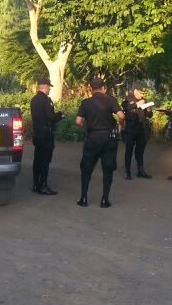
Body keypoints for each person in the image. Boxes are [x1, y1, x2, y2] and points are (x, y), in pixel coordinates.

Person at [75, 78, 125, 208]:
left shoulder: (86, 103)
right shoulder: (110, 100)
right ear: (104, 88)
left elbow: (78, 121)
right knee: (108, 169)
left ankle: (83, 198)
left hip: (92, 138)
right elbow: (121, 116)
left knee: (86, 168)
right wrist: (120, 126)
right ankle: (104, 200)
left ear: (91, 89)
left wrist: (85, 125)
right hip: (108, 138)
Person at [30, 76, 64, 195]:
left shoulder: (34, 99)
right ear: (45, 87)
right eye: (49, 87)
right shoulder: (46, 100)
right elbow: (51, 117)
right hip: (46, 134)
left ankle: (35, 184)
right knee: (45, 160)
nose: (50, 90)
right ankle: (43, 185)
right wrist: (60, 114)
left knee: (37, 159)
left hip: (37, 132)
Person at [122, 87, 154, 179]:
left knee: (140, 151)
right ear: (135, 91)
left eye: (144, 93)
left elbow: (149, 115)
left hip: (141, 128)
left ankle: (140, 170)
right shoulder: (127, 98)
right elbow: (125, 107)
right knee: (129, 150)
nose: (142, 95)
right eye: (141, 93)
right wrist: (137, 104)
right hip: (131, 127)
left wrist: (148, 110)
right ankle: (127, 172)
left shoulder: (144, 100)